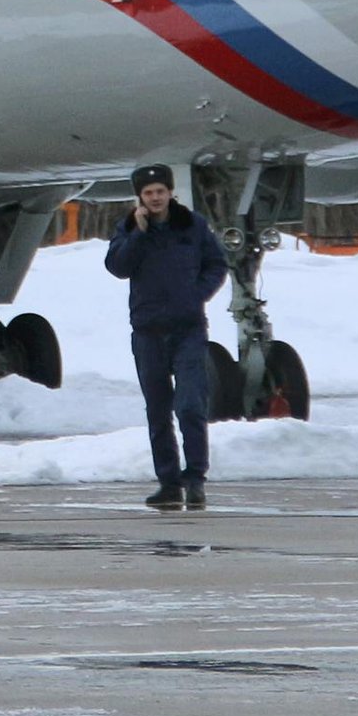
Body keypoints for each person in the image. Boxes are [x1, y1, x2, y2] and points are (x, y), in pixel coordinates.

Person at [103, 162, 230, 509]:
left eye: (161, 191)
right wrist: (137, 233)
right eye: (148, 193)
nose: (156, 197)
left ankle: (196, 477)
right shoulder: (129, 228)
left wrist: (195, 294)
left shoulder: (192, 225)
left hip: (187, 329)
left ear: (170, 192)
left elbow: (217, 264)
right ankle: (169, 483)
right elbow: (117, 267)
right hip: (148, 332)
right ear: (140, 198)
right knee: (157, 411)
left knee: (190, 405)